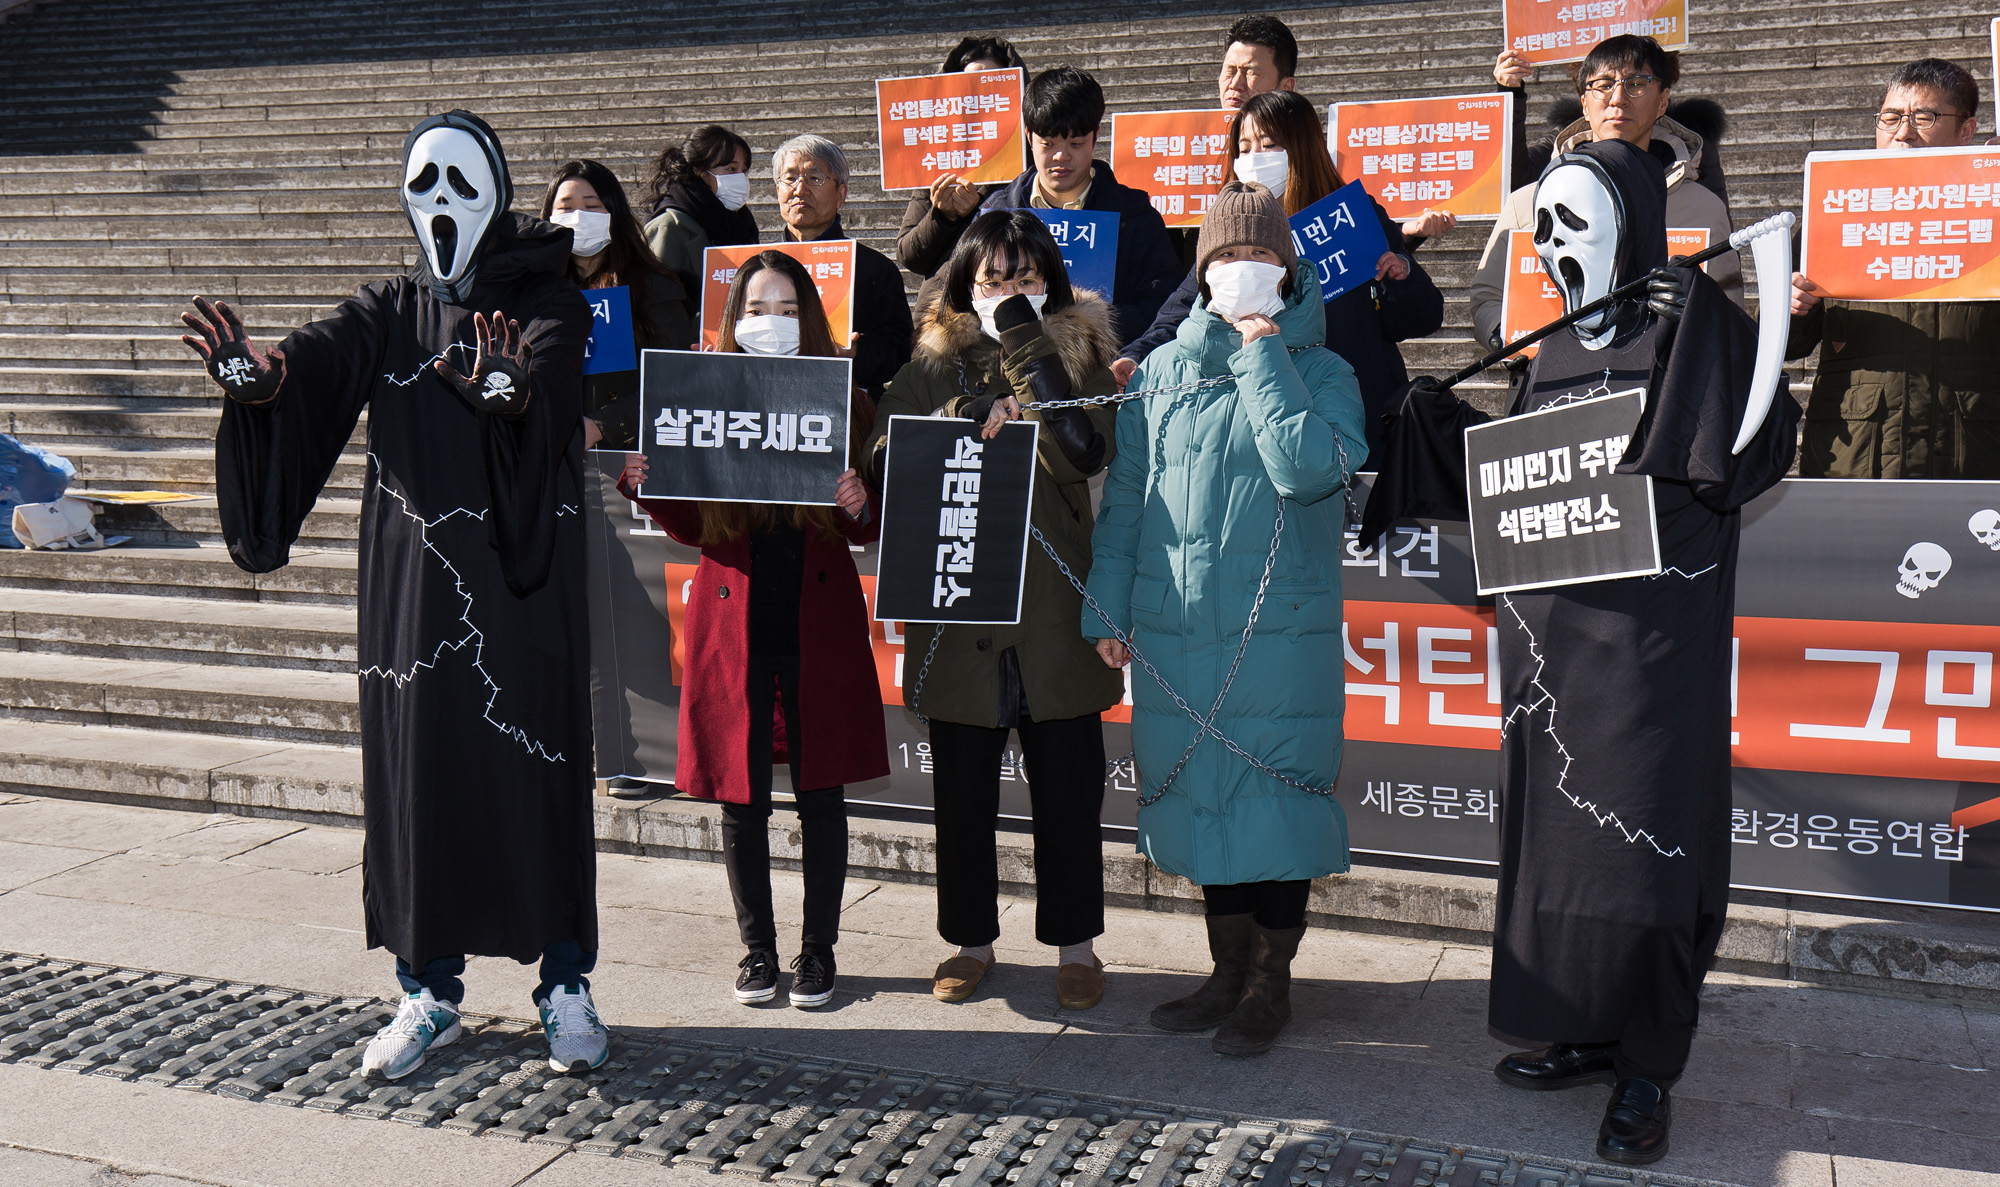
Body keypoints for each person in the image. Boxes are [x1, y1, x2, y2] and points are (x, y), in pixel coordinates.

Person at [178, 110, 608, 1080]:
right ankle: (427, 989)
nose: (443, 204)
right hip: (417, 606)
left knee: (536, 778)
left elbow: (543, 380)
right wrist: (258, 383)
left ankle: (565, 980)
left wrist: (508, 391)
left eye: (462, 183)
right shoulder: (390, 306)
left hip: (520, 589)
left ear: (498, 193)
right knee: (420, 782)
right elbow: (314, 359)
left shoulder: (548, 298)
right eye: (426, 185)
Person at [1084, 182, 1366, 1057]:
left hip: (1279, 630)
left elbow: (1311, 470)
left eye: (1259, 256)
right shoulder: (1162, 369)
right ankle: (1224, 971)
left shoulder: (1325, 370)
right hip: (1179, 624)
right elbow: (1130, 497)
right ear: (1202, 271)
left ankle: (1271, 984)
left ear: (1287, 268)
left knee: (1274, 801)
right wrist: (1108, 603)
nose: (1243, 269)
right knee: (1207, 798)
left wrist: (1261, 355)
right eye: (1226, 257)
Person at [864, 211, 1124, 1011]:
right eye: (993, 280)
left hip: (1053, 617)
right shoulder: (931, 368)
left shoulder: (1081, 359)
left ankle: (1076, 947)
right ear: (963, 288)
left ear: (1050, 279)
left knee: (1069, 794)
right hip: (959, 617)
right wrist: (954, 426)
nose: (1010, 291)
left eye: (1024, 277)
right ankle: (969, 942)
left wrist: (1027, 361)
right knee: (963, 798)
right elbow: (883, 460)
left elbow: (1087, 450)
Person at [617, 250, 886, 1009]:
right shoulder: (708, 394)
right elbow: (692, 523)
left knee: (821, 795)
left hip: (817, 624)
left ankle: (818, 952)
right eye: (758, 310)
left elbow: (868, 528)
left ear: (813, 316)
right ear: (734, 321)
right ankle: (758, 951)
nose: (773, 323)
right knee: (742, 800)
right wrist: (649, 480)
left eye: (789, 309)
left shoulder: (849, 400)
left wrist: (859, 500)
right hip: (733, 621)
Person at [1111, 91, 1442, 462]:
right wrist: (1137, 355)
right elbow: (1186, 307)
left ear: (1302, 148)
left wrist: (1400, 278)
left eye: (1268, 146)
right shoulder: (1236, 230)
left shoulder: (1353, 216)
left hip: (1355, 411)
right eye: (1245, 147)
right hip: (1261, 414)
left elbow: (1424, 317)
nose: (1254, 159)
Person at [1788, 57, 2000, 478]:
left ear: (1967, 130)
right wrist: (1790, 306)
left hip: (1970, 454)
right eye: (1890, 117)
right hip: (1854, 455)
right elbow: (1787, 346)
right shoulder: (1833, 212)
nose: (1903, 133)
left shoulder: (1992, 215)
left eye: (1925, 117)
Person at [1469, 35, 1743, 355]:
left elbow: (1731, 307)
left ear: (1663, 101)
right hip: (1549, 387)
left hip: (1662, 391)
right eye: (1602, 84)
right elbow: (1487, 296)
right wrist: (1507, 335)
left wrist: (1697, 308)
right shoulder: (1524, 204)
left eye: (1636, 83)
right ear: (1584, 103)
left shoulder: (1703, 207)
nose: (1618, 98)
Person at [979, 68, 1184, 347]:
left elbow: (1162, 305)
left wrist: (1088, 329)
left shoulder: (1135, 216)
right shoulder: (995, 215)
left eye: (1076, 143)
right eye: (1048, 144)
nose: (1061, 156)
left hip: (1106, 371)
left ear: (1096, 135)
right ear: (1029, 137)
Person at [541, 159, 695, 450]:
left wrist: (601, 426)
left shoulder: (654, 287)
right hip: (551, 455)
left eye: (591, 206)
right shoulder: (533, 290)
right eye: (566, 207)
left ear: (614, 213)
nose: (578, 217)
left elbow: (676, 377)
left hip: (628, 460)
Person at [773, 133, 915, 400]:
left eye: (815, 179)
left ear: (841, 194)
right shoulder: (755, 266)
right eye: (789, 178)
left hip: (844, 407)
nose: (799, 190)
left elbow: (898, 351)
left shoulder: (873, 269)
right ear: (777, 190)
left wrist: (856, 353)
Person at [896, 36, 1029, 280]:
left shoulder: (1032, 157)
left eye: (990, 84)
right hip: (945, 303)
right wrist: (944, 216)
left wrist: (977, 210)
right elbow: (909, 255)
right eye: (969, 84)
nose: (978, 95)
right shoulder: (938, 160)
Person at [643, 124, 759, 305]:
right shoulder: (669, 227)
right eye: (730, 169)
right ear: (700, 171)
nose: (740, 178)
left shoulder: (741, 223)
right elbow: (659, 306)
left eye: (744, 170)